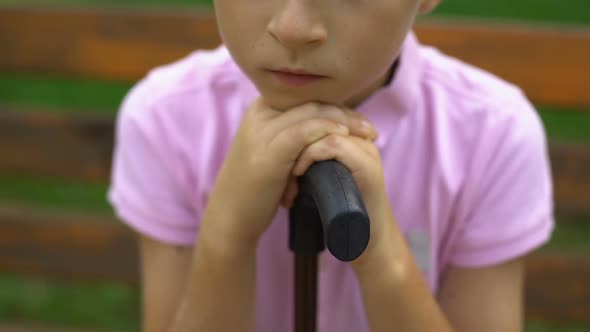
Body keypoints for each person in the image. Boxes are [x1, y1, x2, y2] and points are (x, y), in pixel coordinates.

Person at [107, 0, 555, 331]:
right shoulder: (166, 119)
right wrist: (226, 237)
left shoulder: (492, 135)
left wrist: (383, 259)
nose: (293, 28)